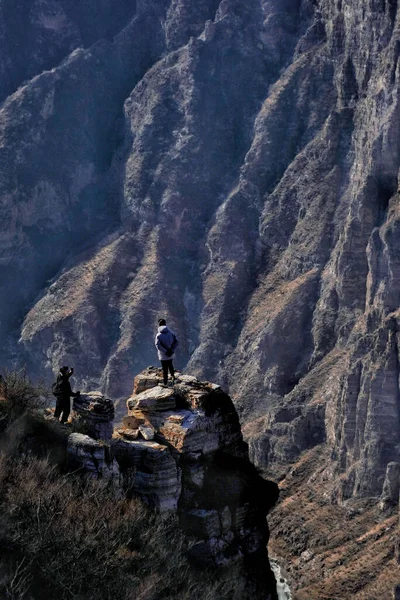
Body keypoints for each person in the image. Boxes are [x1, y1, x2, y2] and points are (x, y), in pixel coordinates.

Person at [155, 319, 178, 386]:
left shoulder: (158, 335)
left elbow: (158, 345)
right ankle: (173, 377)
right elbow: (176, 342)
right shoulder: (171, 333)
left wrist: (165, 351)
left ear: (159, 325)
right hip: (170, 353)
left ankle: (165, 383)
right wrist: (171, 350)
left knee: (165, 369)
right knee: (170, 365)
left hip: (163, 354)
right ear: (165, 324)